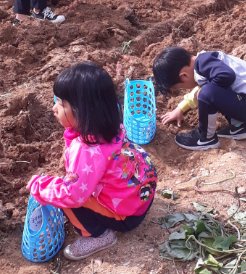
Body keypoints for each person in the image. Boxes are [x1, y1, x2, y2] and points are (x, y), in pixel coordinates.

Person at [28, 63, 157, 260]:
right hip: (142, 199)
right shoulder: (111, 127)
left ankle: (98, 235)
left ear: (83, 111)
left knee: (66, 197)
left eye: (62, 103)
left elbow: (73, 195)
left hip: (127, 217)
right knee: (75, 183)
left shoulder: (87, 149)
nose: (54, 108)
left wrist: (39, 188)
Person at [155, 47, 246, 150]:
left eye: (179, 87)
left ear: (184, 75)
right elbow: (207, 90)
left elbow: (226, 77)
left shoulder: (203, 62)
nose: (184, 89)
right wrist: (180, 109)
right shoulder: (205, 62)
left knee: (207, 92)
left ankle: (205, 137)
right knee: (209, 90)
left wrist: (204, 92)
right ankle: (239, 127)